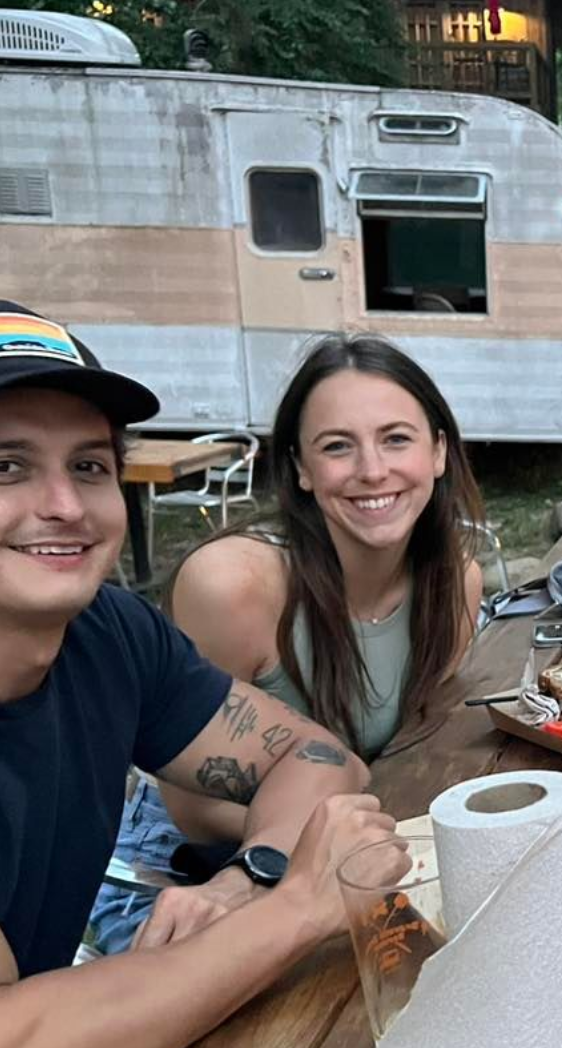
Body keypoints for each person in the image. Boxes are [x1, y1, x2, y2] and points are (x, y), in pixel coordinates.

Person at [0, 300, 394, 1048]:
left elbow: (318, 759)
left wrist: (249, 880)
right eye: (3, 467)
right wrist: (299, 907)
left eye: (88, 465)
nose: (64, 506)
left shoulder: (104, 633)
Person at [88, 334, 485, 952]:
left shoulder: (454, 585)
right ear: (300, 468)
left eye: (396, 438)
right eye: (337, 447)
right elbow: (194, 810)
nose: (373, 469)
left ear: (437, 451)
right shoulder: (235, 586)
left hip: (349, 847)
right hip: (182, 874)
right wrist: (340, 844)